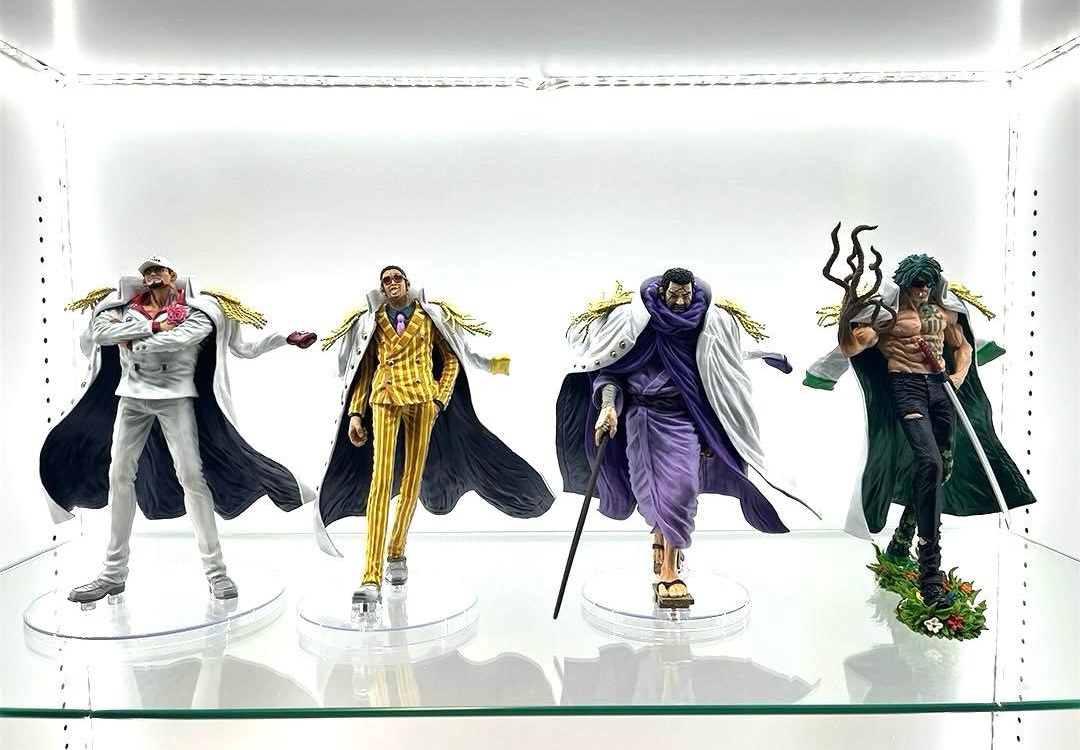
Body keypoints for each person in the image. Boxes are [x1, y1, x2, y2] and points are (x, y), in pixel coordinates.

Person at [41, 255, 317, 604]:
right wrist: (155, 328)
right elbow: (99, 334)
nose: (153, 276)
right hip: (131, 398)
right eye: (147, 272)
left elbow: (189, 339)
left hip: (175, 398)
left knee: (192, 476)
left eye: (159, 271)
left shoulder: (197, 312)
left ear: (173, 275)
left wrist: (133, 339)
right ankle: (113, 574)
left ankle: (216, 571)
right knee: (118, 475)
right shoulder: (121, 308)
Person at [556, 268, 816, 609]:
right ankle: (660, 539)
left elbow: (716, 380)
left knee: (681, 490)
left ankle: (670, 572)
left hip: (683, 421)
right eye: (674, 295)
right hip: (640, 420)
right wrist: (607, 407)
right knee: (647, 489)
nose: (680, 302)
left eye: (686, 295)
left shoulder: (706, 327)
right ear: (662, 291)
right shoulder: (636, 325)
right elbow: (610, 373)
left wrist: (713, 429)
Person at [805, 229, 1035, 605]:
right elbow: (854, 346)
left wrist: (958, 377)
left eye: (928, 282)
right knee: (928, 463)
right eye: (917, 283)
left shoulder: (944, 313)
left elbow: (963, 348)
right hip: (906, 387)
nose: (923, 289)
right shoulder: (887, 315)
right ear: (905, 283)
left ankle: (900, 542)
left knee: (941, 470)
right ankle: (930, 573)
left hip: (941, 389)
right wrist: (850, 325)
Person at [316, 264, 554, 611]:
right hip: (383, 399)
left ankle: (396, 551)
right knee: (380, 483)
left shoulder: (429, 317)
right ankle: (370, 576)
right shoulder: (373, 320)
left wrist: (440, 398)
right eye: (386, 281)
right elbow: (364, 370)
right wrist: (355, 413)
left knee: (412, 482)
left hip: (422, 400)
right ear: (381, 288)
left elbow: (451, 360)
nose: (392, 284)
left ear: (407, 283)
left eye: (396, 279)